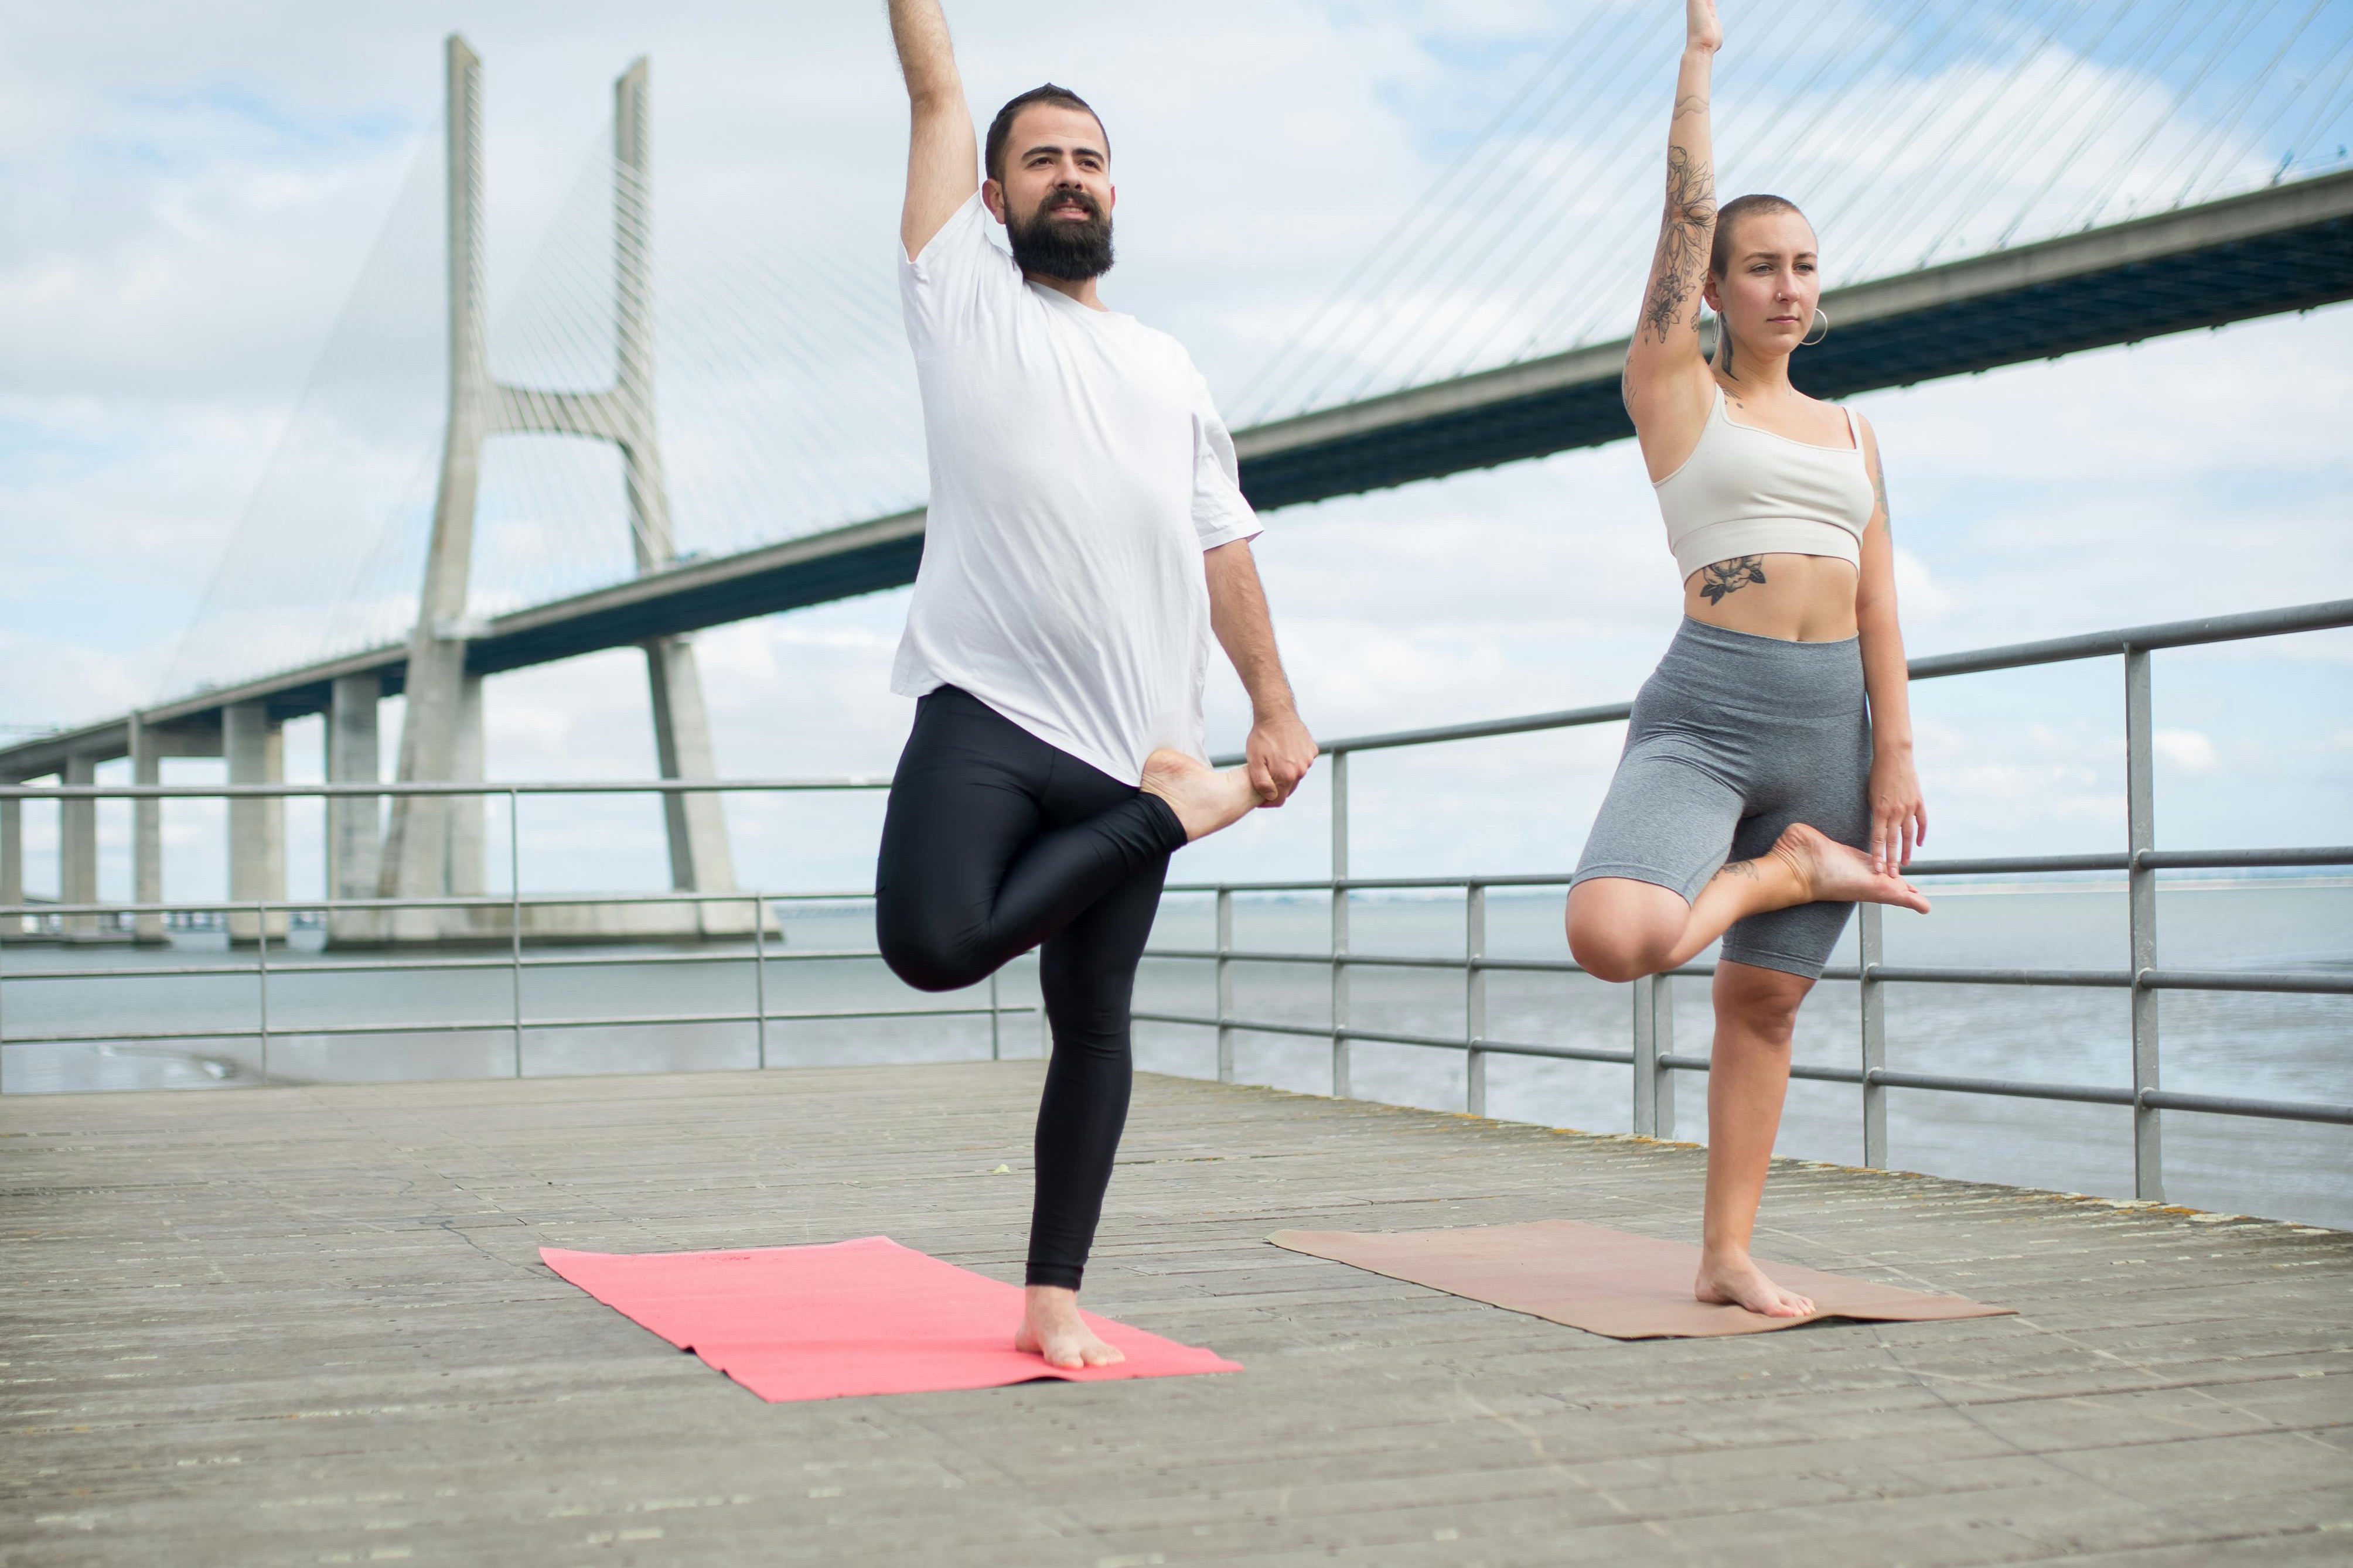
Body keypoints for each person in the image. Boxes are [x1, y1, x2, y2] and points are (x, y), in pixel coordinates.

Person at [875, 0, 1318, 1369]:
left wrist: (1275, 704)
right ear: (994, 198)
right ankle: (1184, 814)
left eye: (1090, 158)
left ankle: (1053, 1296)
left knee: (1094, 1026)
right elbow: (934, 81)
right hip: (994, 714)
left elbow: (1222, 543)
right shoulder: (961, 298)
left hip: (1150, 736)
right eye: (1042, 160)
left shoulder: (1168, 363)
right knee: (932, 945)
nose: (1070, 176)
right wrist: (1180, 808)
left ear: (1113, 189)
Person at [1566, 0, 1931, 1318]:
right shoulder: (1675, 391)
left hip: (1832, 725)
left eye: (1806, 266)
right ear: (1712, 290)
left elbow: (1881, 605)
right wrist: (1696, 70)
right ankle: (1780, 869)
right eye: (1762, 264)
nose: (1790, 285)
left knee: (1764, 1006)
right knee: (1615, 933)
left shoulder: (1853, 433)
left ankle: (1725, 1254)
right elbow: (1679, 215)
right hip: (1707, 711)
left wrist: (1893, 747)